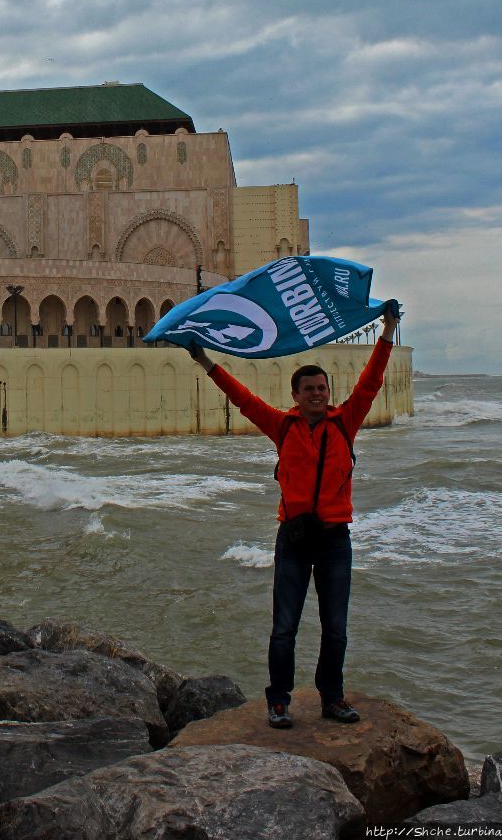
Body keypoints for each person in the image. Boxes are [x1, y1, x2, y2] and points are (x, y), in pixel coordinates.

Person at [189, 303, 399, 729]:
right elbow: (241, 399)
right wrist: (204, 360)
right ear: (296, 395)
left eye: (322, 388)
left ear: (328, 391)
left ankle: (332, 699)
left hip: (335, 539)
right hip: (295, 538)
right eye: (309, 389)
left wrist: (389, 329)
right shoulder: (281, 426)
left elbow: (372, 381)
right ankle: (279, 700)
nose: (317, 394)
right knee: (284, 627)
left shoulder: (346, 421)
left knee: (335, 628)